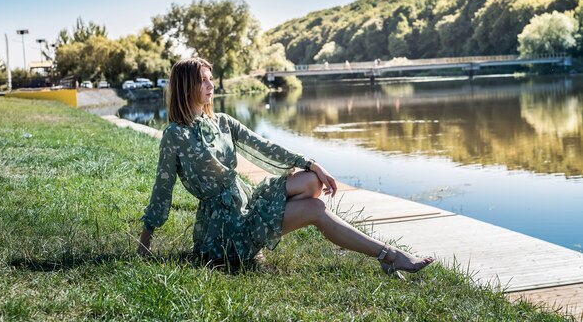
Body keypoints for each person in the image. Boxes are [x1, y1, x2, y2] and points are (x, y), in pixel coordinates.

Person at [138, 57, 433, 278]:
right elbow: (162, 189)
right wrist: (145, 241)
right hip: (223, 230)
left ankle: (384, 254)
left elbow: (264, 146)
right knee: (316, 210)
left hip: (247, 201)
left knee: (312, 183)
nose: (211, 85)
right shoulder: (175, 135)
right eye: (204, 80)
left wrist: (311, 163)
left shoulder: (223, 122)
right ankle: (388, 254)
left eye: (211, 79)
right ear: (187, 86)